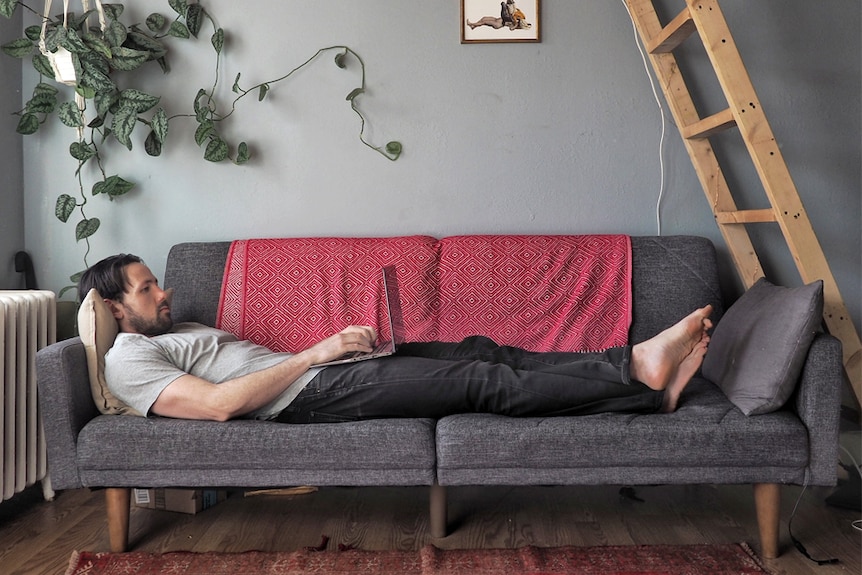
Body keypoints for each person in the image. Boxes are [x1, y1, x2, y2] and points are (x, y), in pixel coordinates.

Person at [81, 254, 713, 424]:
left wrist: (341, 349)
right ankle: (638, 371)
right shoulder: (129, 361)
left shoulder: (174, 329)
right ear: (114, 307)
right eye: (145, 289)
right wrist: (320, 352)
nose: (162, 293)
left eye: (157, 282)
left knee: (479, 350)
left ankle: (633, 375)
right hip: (311, 394)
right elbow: (220, 406)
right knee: (477, 382)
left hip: (325, 371)